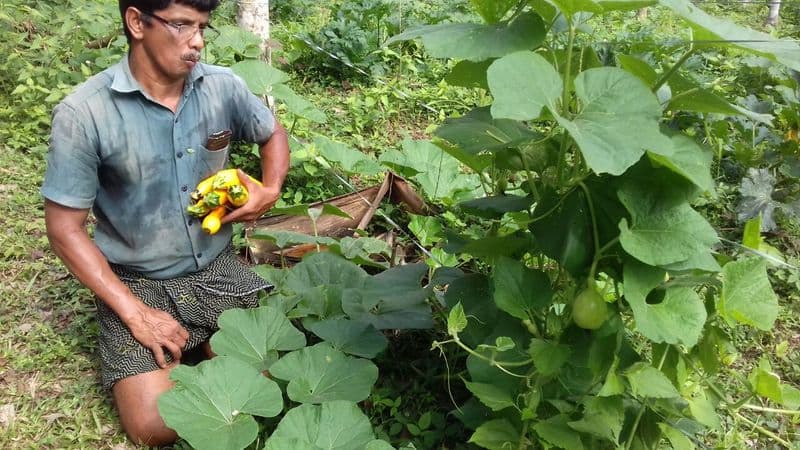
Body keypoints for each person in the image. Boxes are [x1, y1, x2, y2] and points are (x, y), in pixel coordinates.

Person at [41, 0, 290, 445]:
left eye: (202, 27)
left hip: (217, 267)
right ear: (137, 22)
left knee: (267, 383)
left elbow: (271, 133)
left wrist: (269, 189)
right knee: (155, 427)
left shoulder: (222, 86)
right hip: (135, 279)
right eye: (181, 25)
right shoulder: (85, 114)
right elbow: (64, 229)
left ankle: (200, 347)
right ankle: (184, 349)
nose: (196, 40)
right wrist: (134, 314)